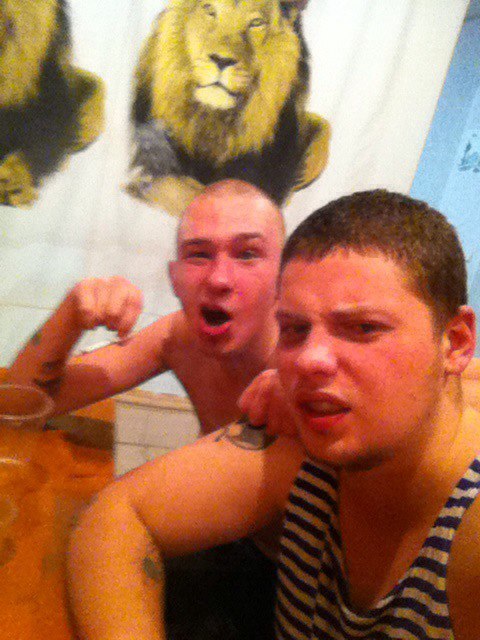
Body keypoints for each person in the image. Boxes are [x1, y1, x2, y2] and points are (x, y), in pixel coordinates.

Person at [68, 189, 480, 640]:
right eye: (296, 329)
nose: (309, 359)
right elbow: (116, 515)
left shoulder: (467, 534)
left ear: (456, 342)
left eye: (363, 328)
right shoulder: (309, 453)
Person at [7, 179, 285, 640]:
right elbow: (17, 404)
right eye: (199, 254)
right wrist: (71, 315)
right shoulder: (179, 337)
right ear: (175, 278)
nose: (219, 278)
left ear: (284, 277)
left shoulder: (308, 365)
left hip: (306, 581)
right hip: (227, 544)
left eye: (248, 254)